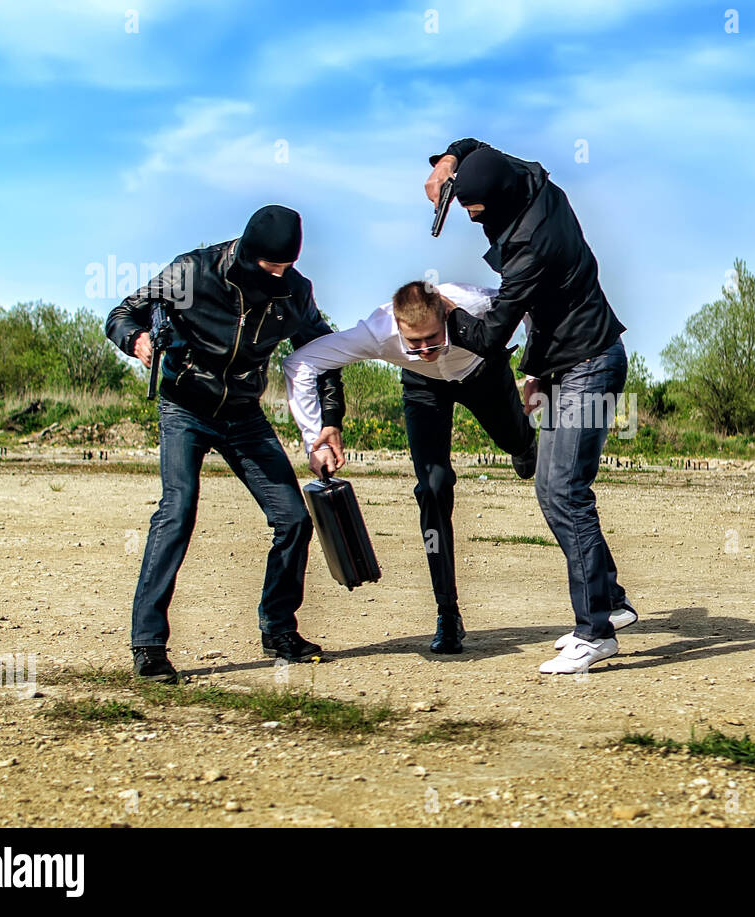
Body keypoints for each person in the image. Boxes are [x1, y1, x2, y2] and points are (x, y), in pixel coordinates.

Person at [105, 205, 345, 683]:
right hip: (185, 406)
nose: (278, 276)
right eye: (269, 267)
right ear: (247, 253)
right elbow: (121, 314)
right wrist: (136, 340)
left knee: (294, 519)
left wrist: (329, 423)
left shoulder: (295, 292)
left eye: (285, 268)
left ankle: (279, 630)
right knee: (177, 511)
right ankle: (149, 645)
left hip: (243, 413)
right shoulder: (193, 271)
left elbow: (323, 354)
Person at [424, 138, 635, 674]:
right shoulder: (532, 180)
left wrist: (446, 314)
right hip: (569, 362)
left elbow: (493, 336)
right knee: (549, 485)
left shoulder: (531, 245)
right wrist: (448, 164)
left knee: (566, 490)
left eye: (474, 210)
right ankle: (608, 598)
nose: (470, 218)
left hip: (591, 365)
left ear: (496, 199)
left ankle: (596, 632)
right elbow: (475, 147)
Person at [283, 280, 536, 654]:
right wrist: (314, 434)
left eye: (433, 339)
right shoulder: (377, 330)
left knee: (520, 448)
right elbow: (300, 362)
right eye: (413, 343)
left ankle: (523, 444)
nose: (425, 349)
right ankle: (447, 612)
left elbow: (532, 303)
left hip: (483, 374)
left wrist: (533, 372)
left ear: (447, 314)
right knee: (432, 489)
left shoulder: (476, 303)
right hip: (424, 390)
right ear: (398, 328)